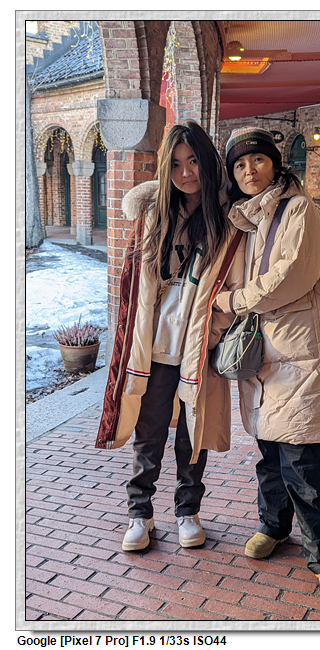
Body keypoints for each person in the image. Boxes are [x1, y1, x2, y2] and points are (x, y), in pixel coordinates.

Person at [214, 127, 320, 604]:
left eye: (258, 160)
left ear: (275, 163)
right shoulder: (246, 219)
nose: (249, 170)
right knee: (269, 452)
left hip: (298, 354)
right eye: (239, 165)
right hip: (262, 354)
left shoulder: (298, 210)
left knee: (304, 463)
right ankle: (273, 526)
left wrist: (233, 301)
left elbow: (290, 277)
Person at [95, 120, 244, 553]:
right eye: (176, 164)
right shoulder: (153, 217)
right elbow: (134, 290)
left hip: (199, 347)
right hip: (157, 347)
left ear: (207, 162)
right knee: (150, 433)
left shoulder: (228, 221)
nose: (186, 173)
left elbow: (234, 289)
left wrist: (212, 333)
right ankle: (140, 514)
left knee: (192, 435)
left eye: (193, 161)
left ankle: (187, 511)